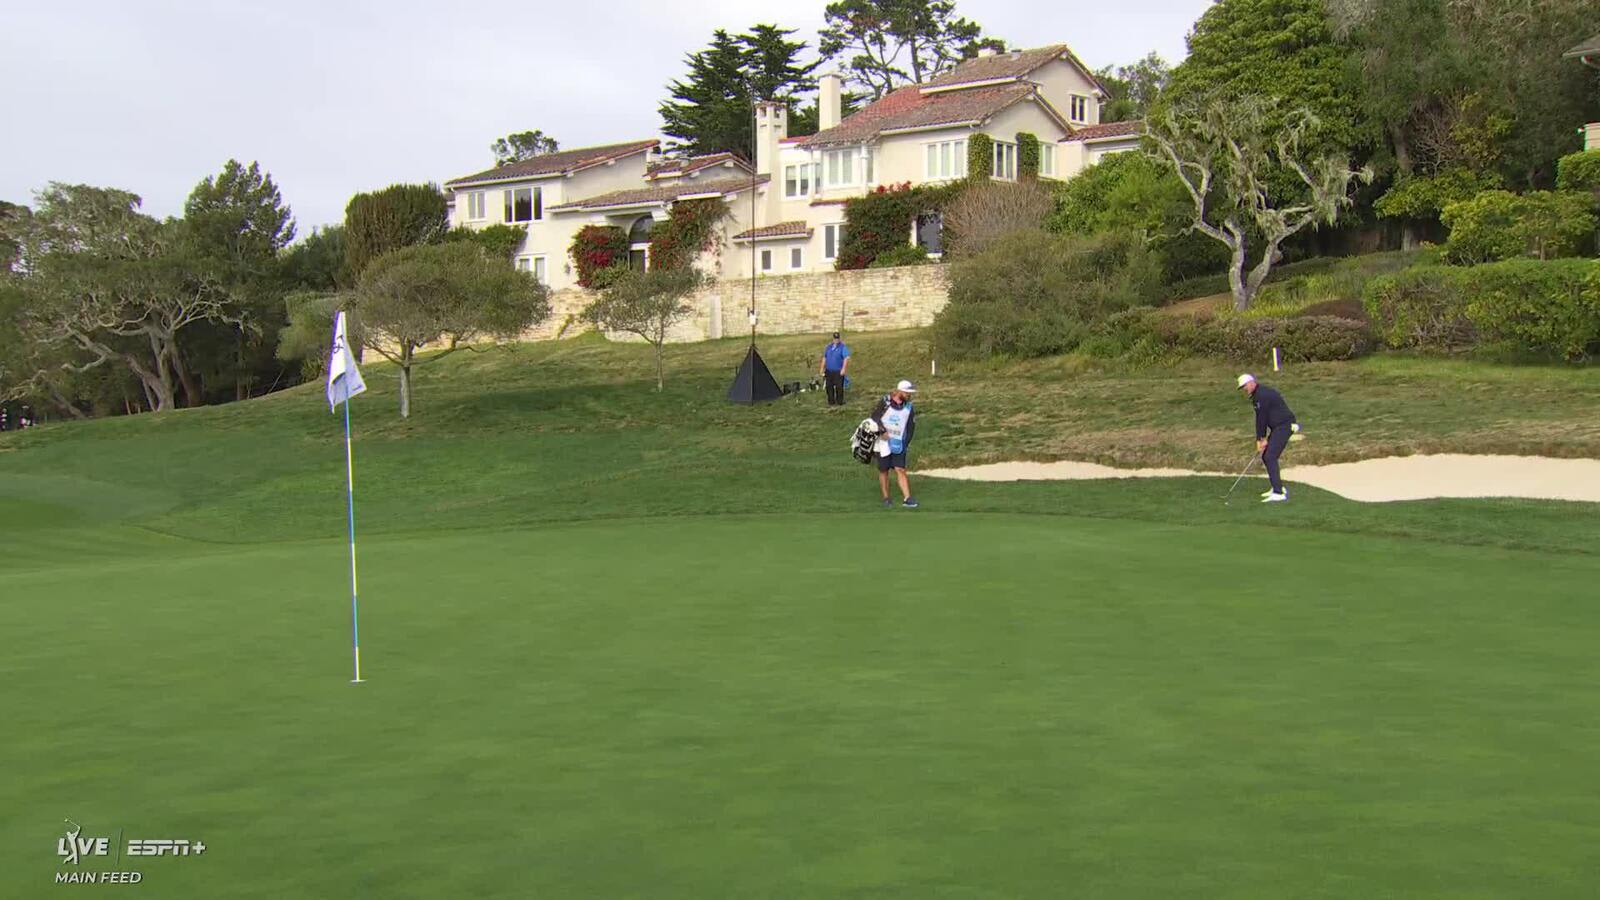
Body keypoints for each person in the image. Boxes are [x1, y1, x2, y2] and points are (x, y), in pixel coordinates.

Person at [1237, 374, 1297, 503]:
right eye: (1242, 387)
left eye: (1245, 385)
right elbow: (1261, 418)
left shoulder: (1261, 396)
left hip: (1285, 426)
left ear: (1252, 382)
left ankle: (1278, 493)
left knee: (1270, 456)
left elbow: (1261, 419)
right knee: (1266, 456)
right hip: (1278, 427)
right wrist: (1261, 439)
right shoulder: (1258, 394)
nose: (1244, 389)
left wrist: (1261, 439)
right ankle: (1277, 487)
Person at [870, 380, 919, 508]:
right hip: (883, 442)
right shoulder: (885, 402)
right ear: (900, 391)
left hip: (899, 443)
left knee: (900, 469)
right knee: (884, 470)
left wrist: (906, 443)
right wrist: (882, 431)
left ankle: (907, 498)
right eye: (907, 392)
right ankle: (886, 498)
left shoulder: (909, 407)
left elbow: (910, 427)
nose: (909, 395)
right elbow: (874, 417)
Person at [820, 332, 850, 408]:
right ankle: (831, 401)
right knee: (829, 386)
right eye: (835, 338)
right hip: (829, 370)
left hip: (838, 370)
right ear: (833, 339)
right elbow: (825, 358)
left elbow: (846, 358)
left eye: (837, 338)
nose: (836, 340)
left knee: (839, 387)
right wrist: (822, 368)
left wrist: (843, 369)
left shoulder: (843, 347)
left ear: (839, 339)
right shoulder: (828, 347)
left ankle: (840, 401)